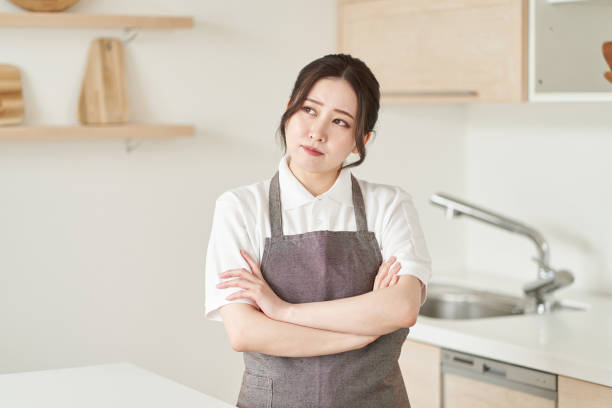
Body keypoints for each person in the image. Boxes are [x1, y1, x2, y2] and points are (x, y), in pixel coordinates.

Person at [205, 54, 432, 408]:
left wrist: (282, 312)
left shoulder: (389, 205)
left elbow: (402, 308)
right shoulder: (240, 207)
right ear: (289, 111)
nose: (317, 132)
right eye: (309, 110)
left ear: (361, 140)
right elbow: (245, 331)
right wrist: (363, 333)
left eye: (340, 122)